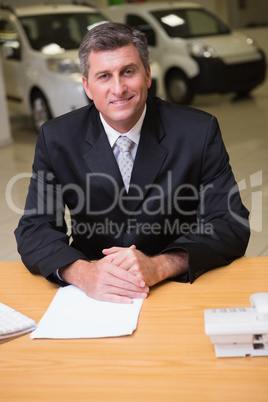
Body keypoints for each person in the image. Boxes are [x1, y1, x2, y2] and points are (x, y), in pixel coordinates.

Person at [15, 22, 250, 304]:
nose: (119, 88)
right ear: (87, 87)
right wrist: (82, 273)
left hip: (174, 285)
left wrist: (161, 265)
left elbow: (229, 223)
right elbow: (35, 228)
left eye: (128, 71)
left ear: (148, 75)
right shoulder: (57, 138)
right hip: (92, 294)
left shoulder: (198, 131)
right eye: (104, 76)